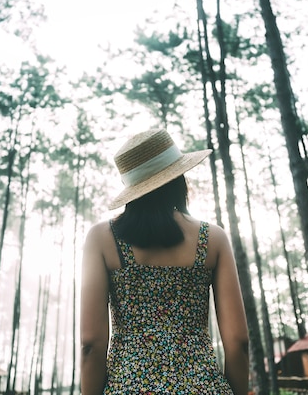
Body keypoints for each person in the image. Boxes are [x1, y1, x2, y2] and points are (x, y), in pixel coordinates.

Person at [80, 128, 249, 394]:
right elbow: (238, 341)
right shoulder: (213, 238)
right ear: (178, 178)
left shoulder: (102, 238)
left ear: (132, 187)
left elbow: (91, 343)